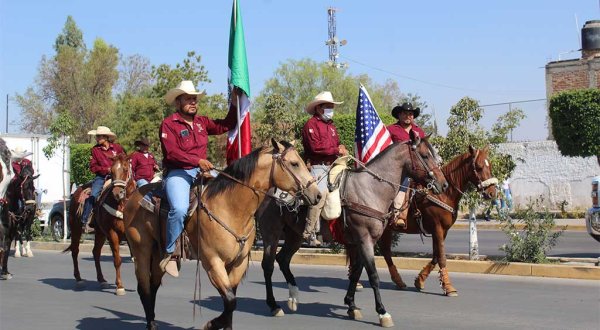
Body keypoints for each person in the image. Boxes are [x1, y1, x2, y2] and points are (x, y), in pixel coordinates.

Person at [159, 80, 238, 277]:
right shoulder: (169, 124)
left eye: (194, 99)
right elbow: (172, 154)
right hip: (179, 173)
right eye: (188, 99)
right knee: (179, 209)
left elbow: (226, 125)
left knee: (231, 192)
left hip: (201, 171)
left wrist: (236, 102)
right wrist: (197, 160)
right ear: (178, 102)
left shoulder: (202, 122)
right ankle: (171, 252)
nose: (193, 102)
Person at [301, 91, 348, 247]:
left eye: (332, 106)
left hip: (333, 166)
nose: (331, 109)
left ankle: (338, 234)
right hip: (317, 167)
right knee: (318, 196)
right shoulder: (310, 125)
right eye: (329, 106)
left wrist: (341, 148)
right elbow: (315, 148)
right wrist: (336, 150)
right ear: (319, 108)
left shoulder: (332, 126)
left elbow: (336, 145)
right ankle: (309, 233)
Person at [386, 102, 426, 227]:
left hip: (417, 167)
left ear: (413, 116)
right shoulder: (390, 129)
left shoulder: (419, 131)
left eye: (410, 114)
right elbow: (385, 149)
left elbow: (424, 150)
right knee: (404, 181)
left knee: (432, 180)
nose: (408, 116)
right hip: (398, 168)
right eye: (405, 113)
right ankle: (399, 214)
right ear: (399, 115)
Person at [81, 126, 125, 232]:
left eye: (99, 136)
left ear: (106, 137)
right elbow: (93, 167)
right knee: (94, 194)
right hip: (102, 177)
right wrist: (106, 169)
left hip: (118, 176)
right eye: (97, 136)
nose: (97, 138)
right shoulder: (95, 150)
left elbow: (124, 160)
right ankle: (85, 220)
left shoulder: (117, 148)